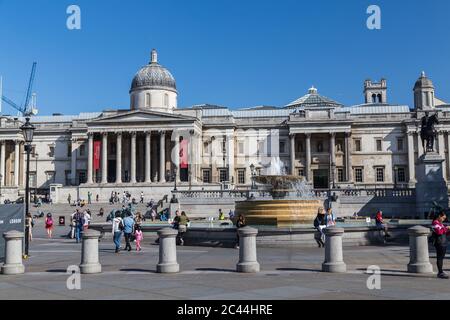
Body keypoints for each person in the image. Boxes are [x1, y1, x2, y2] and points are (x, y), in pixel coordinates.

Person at [431, 211, 450, 279]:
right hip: (439, 243)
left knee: (441, 258)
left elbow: (444, 233)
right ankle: (440, 272)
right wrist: (446, 228)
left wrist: (448, 231)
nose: (444, 219)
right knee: (439, 258)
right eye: (443, 218)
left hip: (443, 242)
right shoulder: (435, 223)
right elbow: (439, 232)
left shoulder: (440, 223)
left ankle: (441, 271)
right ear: (439, 216)